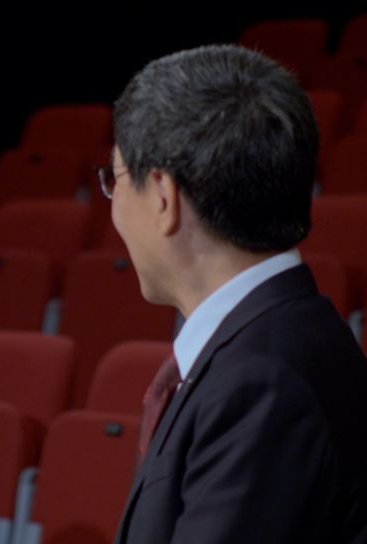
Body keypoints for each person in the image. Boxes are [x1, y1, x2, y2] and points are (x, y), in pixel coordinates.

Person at [104, 45, 367, 543]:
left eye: (113, 179)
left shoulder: (260, 384)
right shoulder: (283, 339)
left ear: (162, 196)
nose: (113, 205)